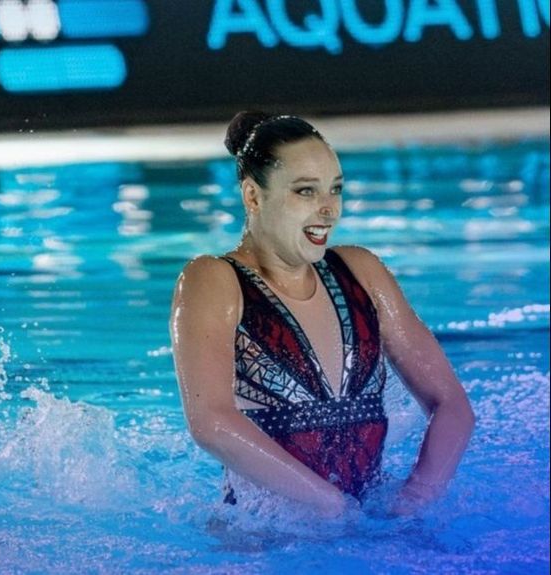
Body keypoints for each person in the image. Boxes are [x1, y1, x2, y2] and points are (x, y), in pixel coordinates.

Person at [169, 112, 474, 517]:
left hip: (367, 526)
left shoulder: (361, 274)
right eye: (305, 192)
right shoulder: (214, 280)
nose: (329, 209)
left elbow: (452, 404)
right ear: (253, 196)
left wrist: (412, 502)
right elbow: (209, 422)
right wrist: (330, 505)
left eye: (335, 190)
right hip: (264, 539)